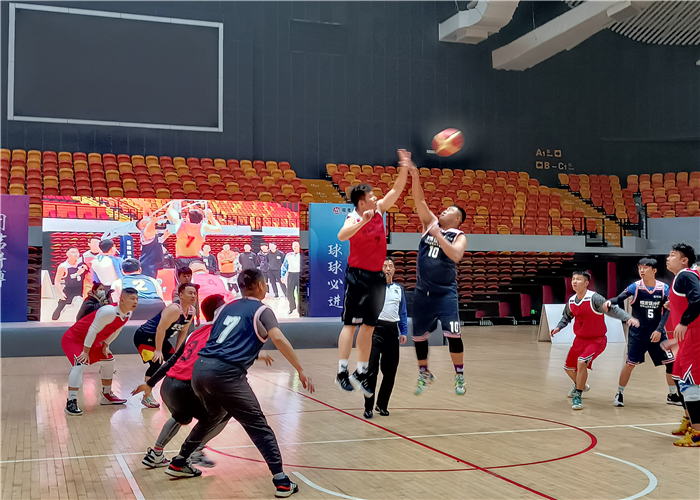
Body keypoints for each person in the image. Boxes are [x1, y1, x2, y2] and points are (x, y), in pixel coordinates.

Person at [163, 269, 314, 499]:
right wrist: (300, 369)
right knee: (258, 425)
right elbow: (278, 337)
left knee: (212, 417)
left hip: (200, 370)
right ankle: (281, 481)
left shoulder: (227, 308)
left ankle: (179, 461)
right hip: (226, 374)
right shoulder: (262, 310)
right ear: (261, 286)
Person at [132, 294, 274, 469]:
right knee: (223, 412)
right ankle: (194, 451)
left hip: (169, 384)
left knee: (180, 415)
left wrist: (150, 383)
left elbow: (174, 359)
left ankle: (156, 453)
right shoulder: (221, 333)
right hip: (189, 385)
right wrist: (256, 354)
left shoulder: (195, 333)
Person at [335, 153, 409, 396]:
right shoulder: (353, 217)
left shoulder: (380, 211)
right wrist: (362, 223)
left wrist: (404, 167)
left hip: (377, 277)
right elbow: (342, 236)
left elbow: (396, 190)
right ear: (361, 202)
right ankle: (342, 371)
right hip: (357, 276)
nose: (376, 198)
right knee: (350, 325)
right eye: (371, 196)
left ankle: (361, 371)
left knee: (368, 327)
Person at [402, 152, 468, 396]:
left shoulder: (458, 236)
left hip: (445, 294)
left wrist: (439, 236)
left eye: (449, 209)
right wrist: (414, 175)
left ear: (457, 218)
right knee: (418, 337)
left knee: (454, 334)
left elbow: (456, 256)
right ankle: (424, 373)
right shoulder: (429, 223)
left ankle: (459, 375)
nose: (443, 211)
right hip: (423, 294)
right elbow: (419, 201)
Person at [551, 270, 639, 410]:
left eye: (578, 279)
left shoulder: (595, 298)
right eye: (573, 279)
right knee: (568, 368)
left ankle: (578, 395)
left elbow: (613, 309)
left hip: (597, 340)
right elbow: (566, 317)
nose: (574, 282)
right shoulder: (572, 300)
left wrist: (628, 318)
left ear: (586, 283)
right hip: (579, 340)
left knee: (581, 362)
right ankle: (580, 384)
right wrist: (558, 327)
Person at [604, 257, 678, 408]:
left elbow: (667, 311)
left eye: (645, 268)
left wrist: (659, 330)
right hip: (638, 334)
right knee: (630, 364)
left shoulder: (663, 288)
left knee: (671, 364)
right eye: (640, 268)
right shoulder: (635, 287)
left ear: (654, 270)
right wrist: (610, 301)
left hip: (657, 333)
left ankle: (672, 394)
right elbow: (618, 299)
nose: (642, 271)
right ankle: (619, 393)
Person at [61, 288, 139, 416]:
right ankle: (71, 402)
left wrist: (105, 345)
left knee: (109, 361)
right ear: (122, 300)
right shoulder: (109, 311)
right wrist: (85, 351)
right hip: (73, 339)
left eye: (136, 299)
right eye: (132, 299)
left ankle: (106, 395)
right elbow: (92, 330)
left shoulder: (127, 314)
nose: (135, 301)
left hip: (91, 341)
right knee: (80, 363)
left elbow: (117, 330)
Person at [133, 283, 197, 408]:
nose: (193, 296)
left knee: (175, 362)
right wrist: (158, 350)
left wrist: (179, 352)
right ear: (181, 295)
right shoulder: (174, 309)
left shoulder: (191, 311)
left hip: (160, 339)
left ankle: (173, 393)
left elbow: (183, 332)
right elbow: (160, 329)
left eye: (195, 293)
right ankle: (147, 396)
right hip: (144, 337)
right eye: (190, 293)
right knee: (156, 363)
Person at [363, 257, 407, 419]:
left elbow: (402, 312)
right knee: (371, 371)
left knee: (390, 372)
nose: (388, 268)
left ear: (394, 270)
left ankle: (382, 404)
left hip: (392, 331)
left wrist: (403, 331)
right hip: (375, 330)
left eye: (390, 266)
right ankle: (368, 407)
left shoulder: (399, 289)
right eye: (385, 266)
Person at [665, 243, 700, 446]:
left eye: (672, 255)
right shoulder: (680, 278)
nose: (668, 258)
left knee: (690, 384)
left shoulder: (686, 275)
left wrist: (684, 321)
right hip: (687, 338)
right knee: (678, 377)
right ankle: (689, 421)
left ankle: (697, 433)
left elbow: (698, 299)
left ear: (684, 260)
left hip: (694, 336)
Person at [168, 201, 222, 270]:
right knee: (196, 276)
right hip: (196, 259)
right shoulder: (202, 227)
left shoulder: (180, 224)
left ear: (188, 217)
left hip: (181, 258)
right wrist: (211, 217)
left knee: (182, 276)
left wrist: (173, 201)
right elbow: (219, 229)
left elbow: (170, 210)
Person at [52, 247, 88, 320]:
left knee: (88, 305)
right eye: (73, 252)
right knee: (61, 306)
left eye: (77, 252)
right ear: (67, 254)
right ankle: (53, 321)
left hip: (82, 287)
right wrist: (61, 293)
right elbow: (57, 281)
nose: (75, 254)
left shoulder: (82, 263)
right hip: (70, 289)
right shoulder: (63, 266)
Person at [281, 242, 302, 315]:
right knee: (289, 292)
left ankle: (300, 308)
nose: (295, 247)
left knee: (300, 292)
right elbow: (284, 266)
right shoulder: (288, 255)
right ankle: (292, 307)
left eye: (296, 246)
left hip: (300, 275)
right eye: (293, 246)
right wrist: (282, 276)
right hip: (291, 275)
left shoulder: (303, 255)